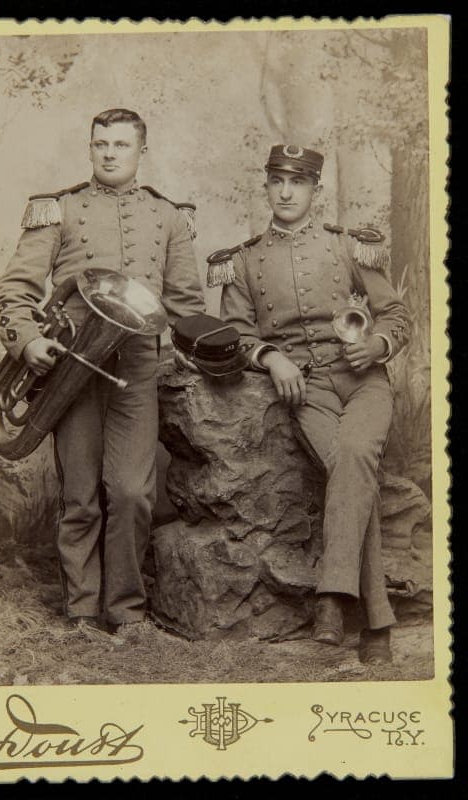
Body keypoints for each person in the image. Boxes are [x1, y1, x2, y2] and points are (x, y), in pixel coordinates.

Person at [0, 108, 204, 633]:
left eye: (121, 145)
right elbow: (14, 290)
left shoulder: (168, 216)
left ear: (141, 151)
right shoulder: (57, 209)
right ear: (90, 148)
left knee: (133, 492)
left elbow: (185, 304)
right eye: (101, 144)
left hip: (137, 365)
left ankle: (128, 611)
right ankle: (84, 611)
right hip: (70, 366)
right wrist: (29, 343)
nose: (110, 153)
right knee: (80, 495)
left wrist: (183, 357)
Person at [210, 144, 410, 664]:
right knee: (352, 463)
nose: (286, 191)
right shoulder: (244, 260)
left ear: (315, 191)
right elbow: (235, 332)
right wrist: (272, 358)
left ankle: (332, 598)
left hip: (365, 382)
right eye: (277, 180)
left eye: (297, 182)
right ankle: (377, 623)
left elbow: (395, 316)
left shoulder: (349, 248)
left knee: (354, 457)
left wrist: (378, 345)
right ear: (266, 186)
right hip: (308, 390)